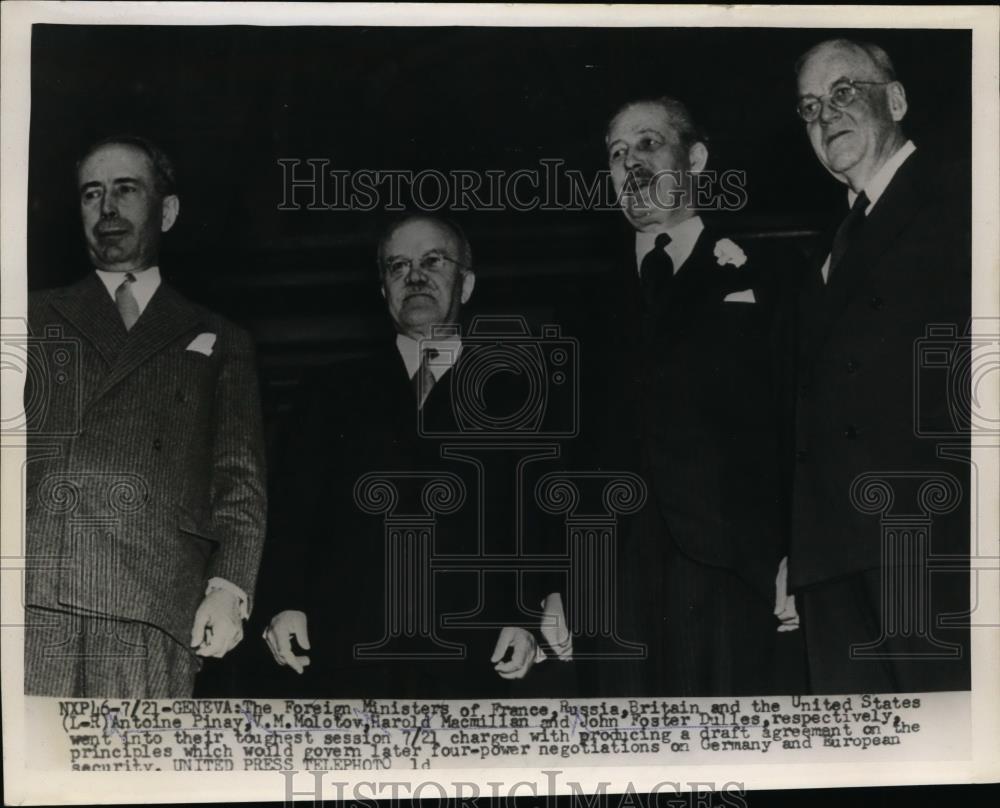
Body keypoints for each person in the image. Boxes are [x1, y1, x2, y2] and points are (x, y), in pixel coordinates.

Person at [258, 213, 569, 698]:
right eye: (397, 267)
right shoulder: (329, 392)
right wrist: (284, 604)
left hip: (480, 653)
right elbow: (292, 512)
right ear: (383, 290)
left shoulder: (519, 393)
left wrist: (525, 616)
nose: (415, 277)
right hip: (348, 652)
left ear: (465, 284)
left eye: (432, 261)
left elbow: (542, 517)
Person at [23, 135, 267, 698]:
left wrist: (229, 587)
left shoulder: (220, 336)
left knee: (135, 778)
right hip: (35, 587)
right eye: (91, 194)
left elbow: (240, 481)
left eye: (125, 190)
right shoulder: (28, 315)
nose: (107, 209)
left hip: (155, 600)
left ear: (168, 209)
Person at [573, 97, 794, 695]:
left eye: (647, 143)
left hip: (729, 567)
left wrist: (797, 553)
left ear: (694, 158)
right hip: (607, 581)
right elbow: (564, 448)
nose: (631, 163)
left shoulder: (767, 275)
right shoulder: (584, 303)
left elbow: (798, 420)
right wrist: (554, 583)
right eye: (617, 154)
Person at [788, 39, 970, 693]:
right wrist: (801, 553)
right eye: (810, 106)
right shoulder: (825, 253)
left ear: (895, 98)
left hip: (929, 547)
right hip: (834, 564)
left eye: (843, 92)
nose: (824, 114)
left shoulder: (963, 202)